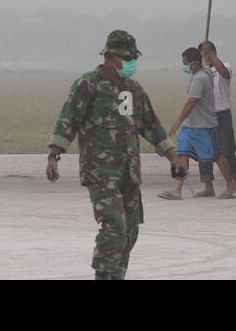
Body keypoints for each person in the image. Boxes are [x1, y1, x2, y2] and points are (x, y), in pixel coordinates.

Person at [47, 30, 183, 280]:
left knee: (131, 229)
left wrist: (173, 157)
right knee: (114, 227)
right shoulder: (88, 85)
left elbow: (151, 125)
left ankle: (116, 275)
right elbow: (68, 120)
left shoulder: (132, 89)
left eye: (134, 57)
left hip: (129, 172)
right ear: (109, 57)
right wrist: (54, 158)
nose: (131, 62)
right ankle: (103, 275)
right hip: (100, 172)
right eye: (125, 57)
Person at [160, 47, 220, 201]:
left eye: (185, 63)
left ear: (194, 64)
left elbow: (191, 102)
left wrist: (177, 122)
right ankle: (177, 190)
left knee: (214, 156)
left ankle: (228, 184)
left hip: (203, 126)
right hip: (190, 126)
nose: (184, 67)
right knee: (181, 155)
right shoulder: (197, 75)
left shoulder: (201, 78)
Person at [196, 40, 236, 198]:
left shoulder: (225, 66)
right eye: (203, 55)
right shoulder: (201, 72)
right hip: (205, 116)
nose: (206, 57)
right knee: (204, 152)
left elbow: (224, 72)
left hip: (222, 115)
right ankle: (208, 186)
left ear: (214, 52)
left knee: (227, 151)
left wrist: (210, 54)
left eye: (209, 53)